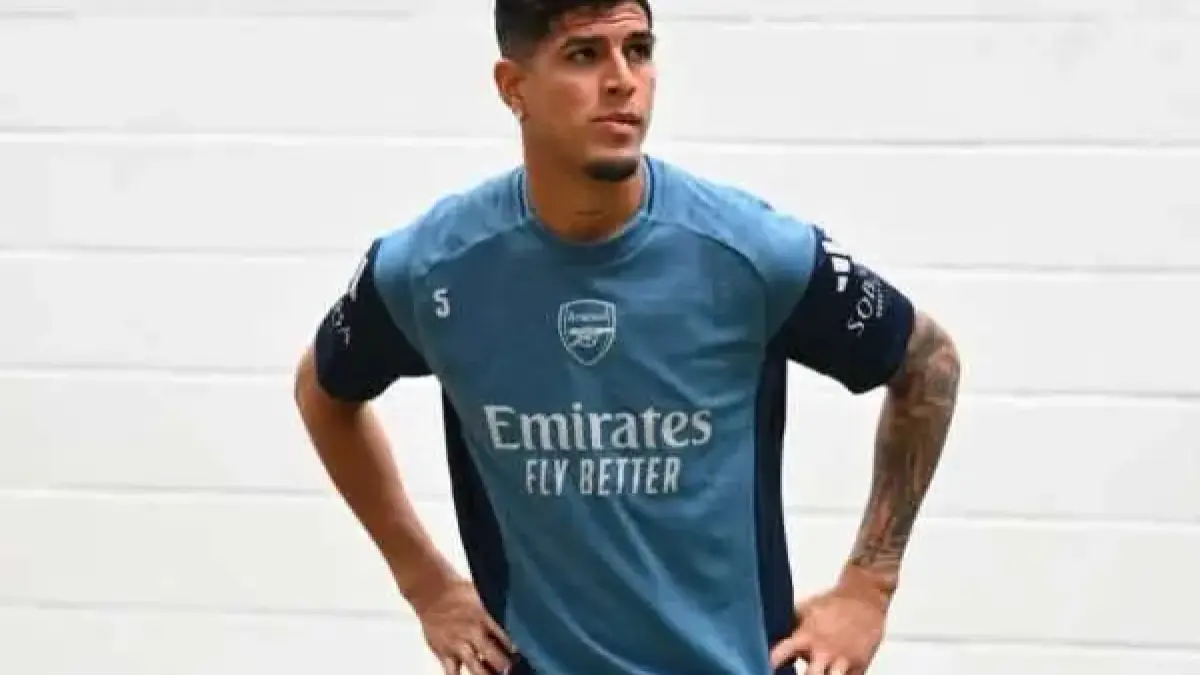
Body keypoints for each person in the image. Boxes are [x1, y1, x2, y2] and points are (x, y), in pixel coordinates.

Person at [292, 1, 962, 673]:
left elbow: (928, 363)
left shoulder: (753, 254)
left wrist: (869, 586)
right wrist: (426, 584)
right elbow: (322, 393)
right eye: (584, 54)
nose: (622, 80)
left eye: (638, 50)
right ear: (512, 86)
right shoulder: (432, 268)